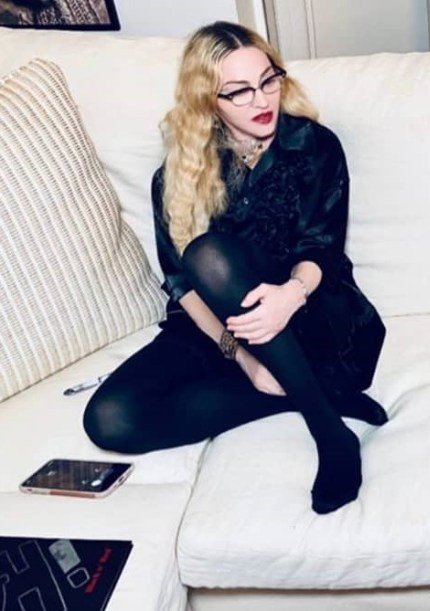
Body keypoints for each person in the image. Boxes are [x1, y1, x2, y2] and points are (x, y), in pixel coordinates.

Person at [83, 21, 386, 515]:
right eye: (239, 91)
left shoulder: (313, 146)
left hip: (309, 313)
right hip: (219, 328)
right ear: (208, 100)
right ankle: (304, 392)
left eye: (268, 80)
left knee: (209, 253)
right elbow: (181, 285)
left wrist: (289, 295)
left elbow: (323, 247)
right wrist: (243, 358)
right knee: (110, 420)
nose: (261, 100)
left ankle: (330, 433)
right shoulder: (176, 176)